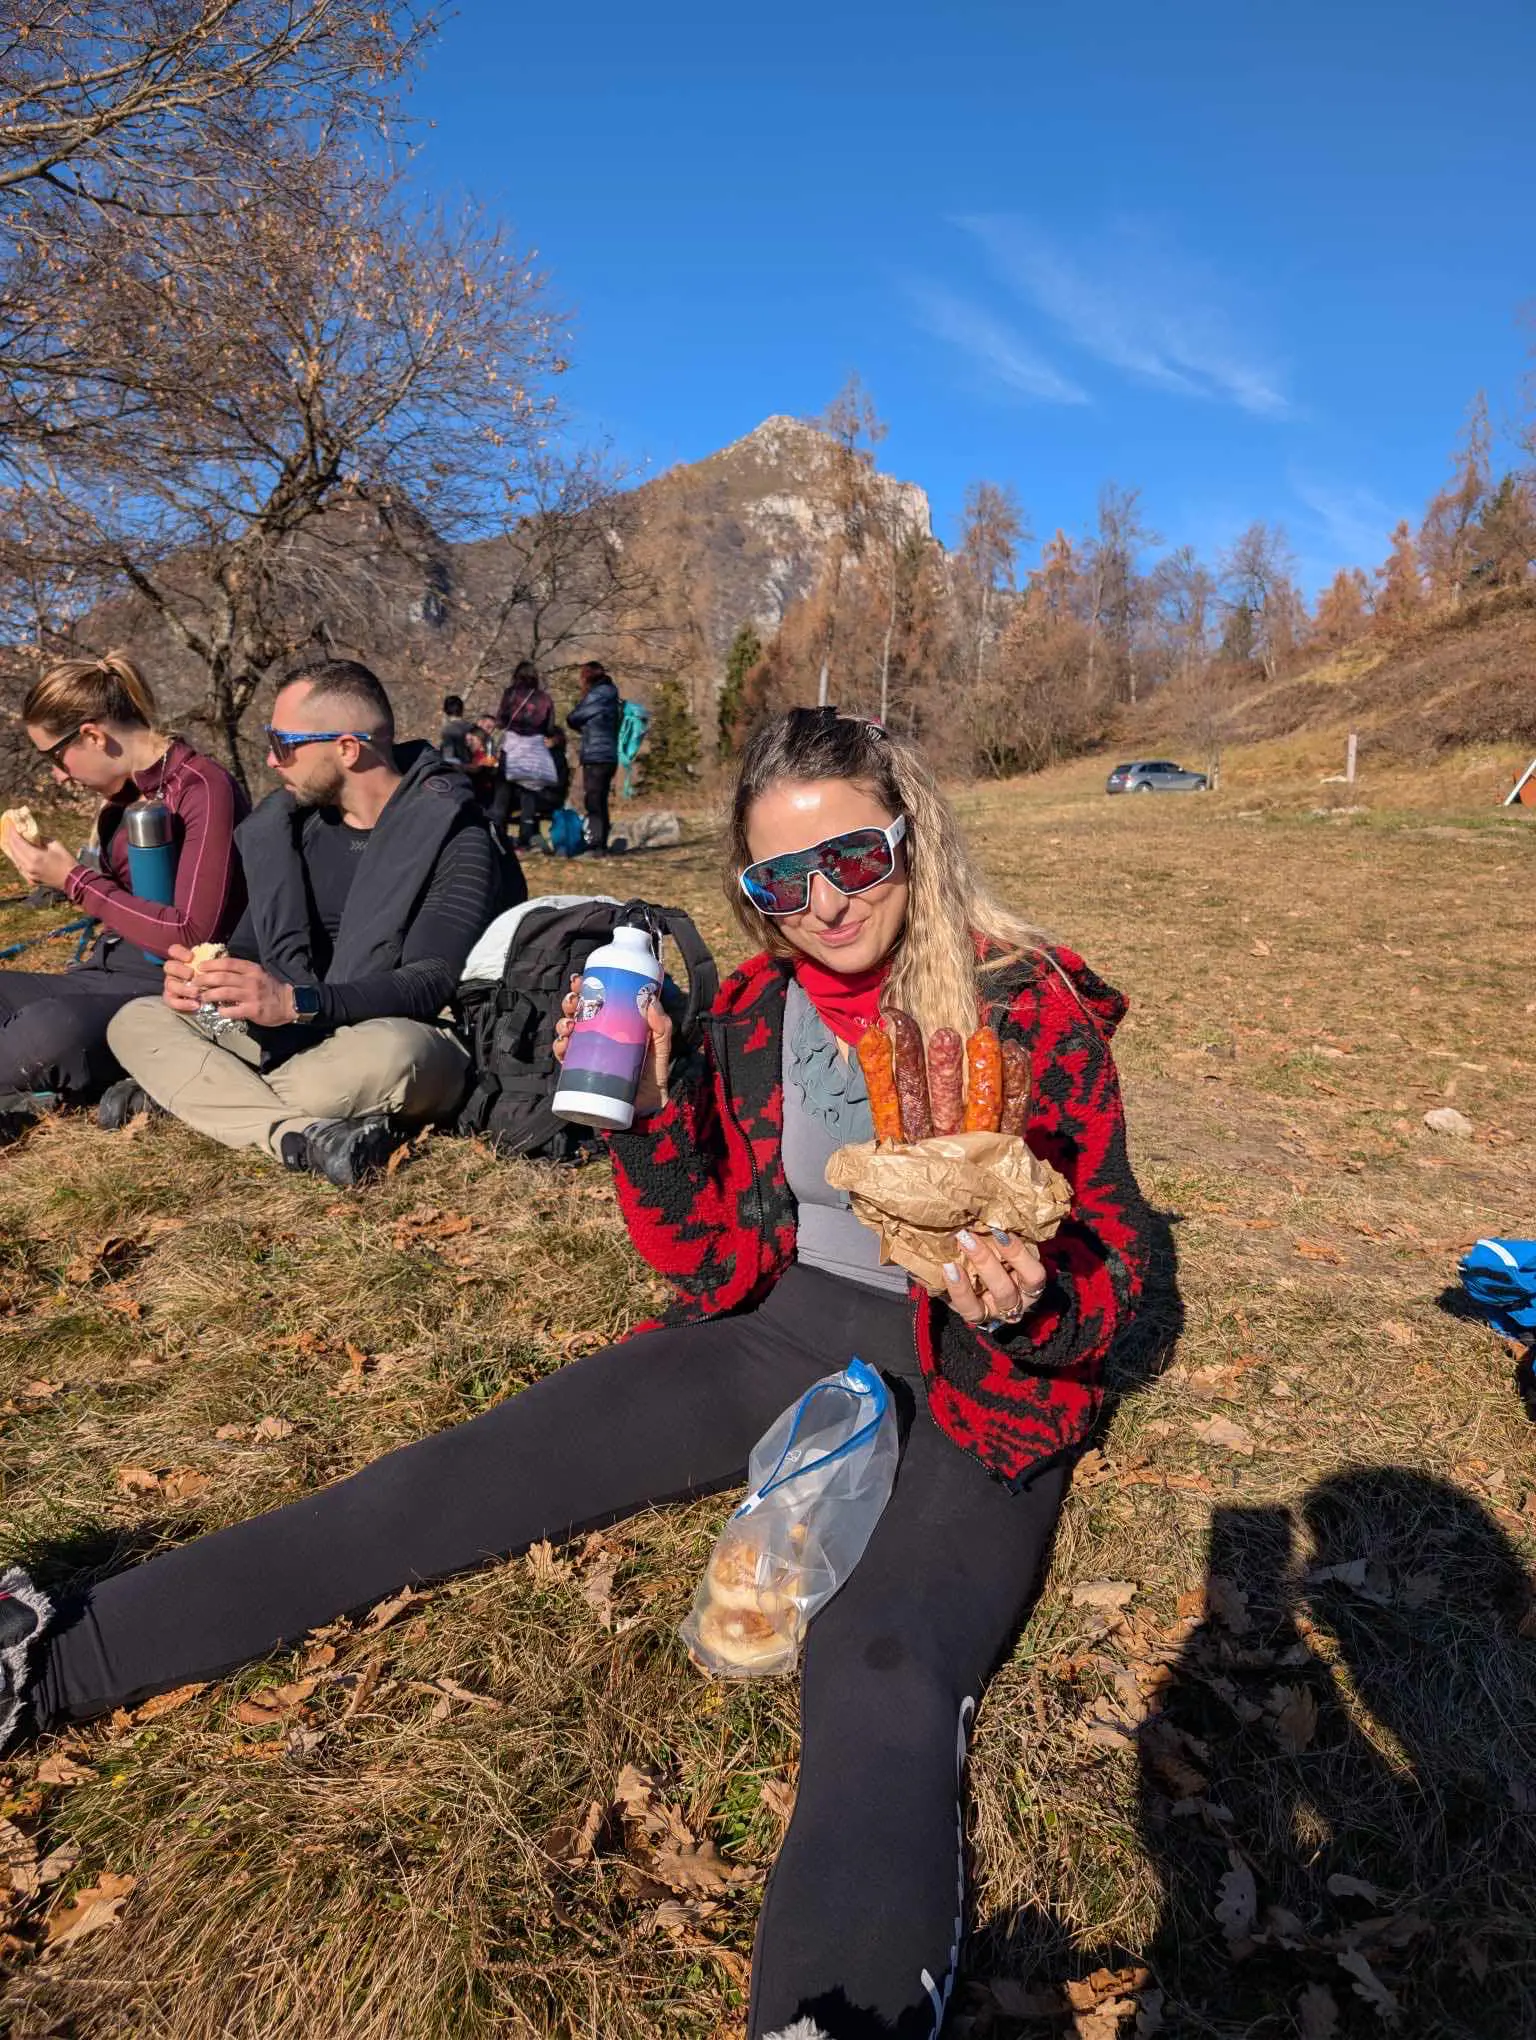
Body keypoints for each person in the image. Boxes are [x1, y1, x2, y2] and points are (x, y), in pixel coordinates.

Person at [0, 708, 1151, 2037]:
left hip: (983, 1381)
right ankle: (52, 1658)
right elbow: (708, 1258)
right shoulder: (753, 1010)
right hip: (780, 1330)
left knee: (881, 1662)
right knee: (445, 1482)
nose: (826, 903)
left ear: (913, 841)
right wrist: (651, 1118)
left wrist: (1033, 1306)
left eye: (854, 858)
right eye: (781, 880)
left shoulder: (1029, 1007)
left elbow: (1117, 1279)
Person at [99, 659, 510, 1188]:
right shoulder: (295, 829)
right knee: (135, 1019)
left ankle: (195, 1095)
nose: (271, 759)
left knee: (396, 1057)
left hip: (397, 1033)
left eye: (284, 743)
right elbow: (250, 947)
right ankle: (293, 1132)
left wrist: (297, 1002)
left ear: (347, 748)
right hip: (291, 1036)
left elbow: (429, 980)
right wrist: (208, 982)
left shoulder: (459, 836)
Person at [0, 650, 246, 1131]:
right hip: (104, 972)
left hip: (172, 988)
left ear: (92, 735)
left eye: (55, 757)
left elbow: (193, 934)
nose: (59, 775)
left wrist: (73, 880)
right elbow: (122, 904)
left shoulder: (203, 788)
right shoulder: (121, 802)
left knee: (47, 1031)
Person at [489, 659, 558, 850]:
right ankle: (525, 838)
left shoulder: (511, 694)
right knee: (529, 794)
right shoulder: (544, 698)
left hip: (512, 748)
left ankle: (497, 835)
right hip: (534, 750)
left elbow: (501, 721)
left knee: (502, 793)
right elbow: (550, 727)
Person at [566, 658, 621, 855]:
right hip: (610, 754)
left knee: (594, 800)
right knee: (601, 799)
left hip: (596, 754)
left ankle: (596, 844)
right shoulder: (612, 695)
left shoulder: (597, 696)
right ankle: (601, 842)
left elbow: (574, 717)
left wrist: (579, 722)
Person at [437, 694, 479, 768]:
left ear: (445, 711)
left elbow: (448, 757)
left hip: (456, 768)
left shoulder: (449, 730)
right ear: (462, 709)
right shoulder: (473, 728)